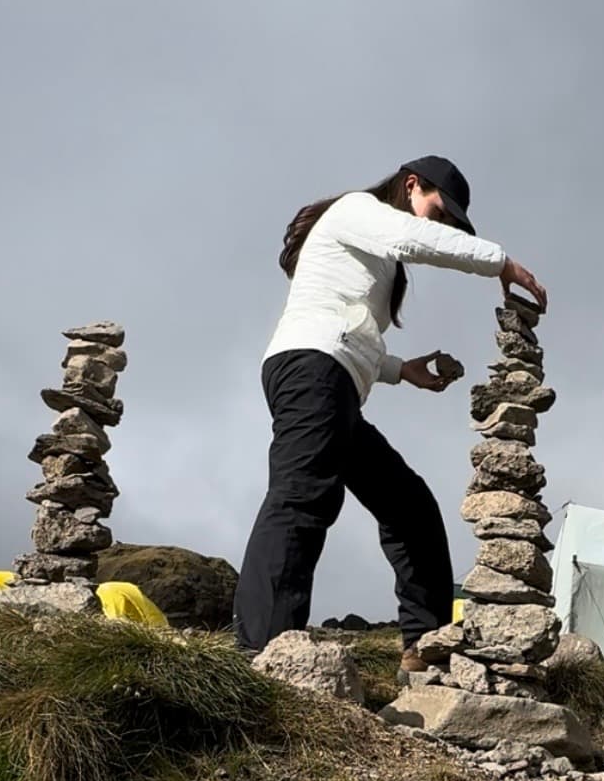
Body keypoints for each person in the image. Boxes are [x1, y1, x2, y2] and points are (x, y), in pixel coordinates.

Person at [234, 155, 546, 667]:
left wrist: (404, 370)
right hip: (312, 370)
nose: (439, 225)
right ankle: (261, 655)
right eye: (439, 211)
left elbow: (350, 331)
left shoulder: (373, 256)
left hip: (334, 380)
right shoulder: (358, 210)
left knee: (410, 505)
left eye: (448, 223)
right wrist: (500, 262)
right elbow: (411, 242)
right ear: (410, 184)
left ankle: (425, 649)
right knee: (303, 497)